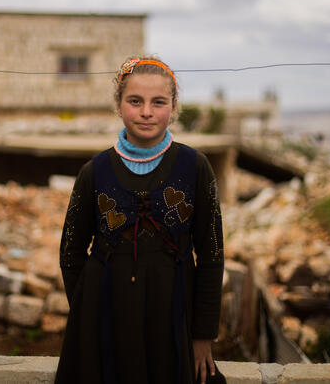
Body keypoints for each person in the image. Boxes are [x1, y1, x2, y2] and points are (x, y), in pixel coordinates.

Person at [55, 56, 225, 384]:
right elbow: (70, 253)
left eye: (158, 102)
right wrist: (89, 314)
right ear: (119, 105)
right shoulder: (94, 172)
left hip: (173, 316)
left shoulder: (195, 168)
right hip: (105, 318)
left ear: (173, 108)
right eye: (135, 101)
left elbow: (211, 254)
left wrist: (202, 335)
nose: (146, 111)